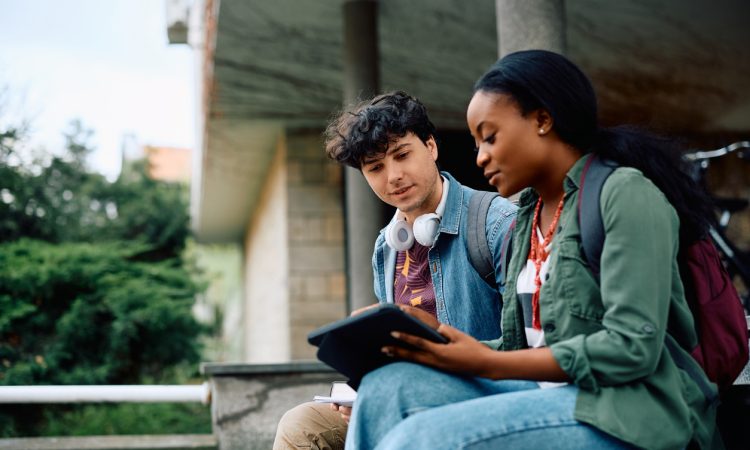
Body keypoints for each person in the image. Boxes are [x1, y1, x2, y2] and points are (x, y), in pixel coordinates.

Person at [345, 50, 722, 449]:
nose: (480, 156)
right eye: (477, 142)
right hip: (547, 395)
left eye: (490, 137)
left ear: (542, 120)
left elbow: (632, 349)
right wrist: (435, 338)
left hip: (626, 413)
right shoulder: (530, 215)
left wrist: (487, 363)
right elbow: (521, 346)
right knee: (387, 387)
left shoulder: (624, 194)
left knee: (421, 437)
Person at [272, 91, 518, 449]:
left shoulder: (495, 224)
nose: (394, 176)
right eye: (375, 168)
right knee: (302, 425)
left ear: (431, 146)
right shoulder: (386, 248)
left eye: (402, 155)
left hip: (481, 392)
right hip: (407, 394)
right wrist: (365, 390)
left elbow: (530, 345)